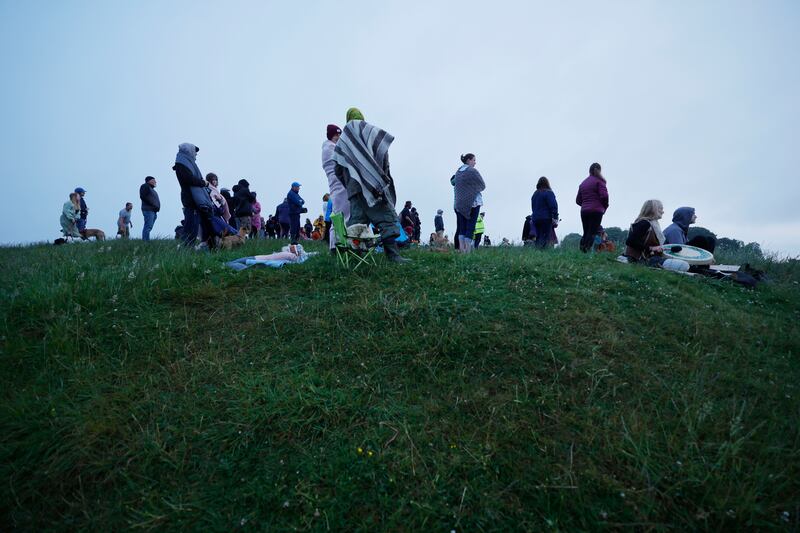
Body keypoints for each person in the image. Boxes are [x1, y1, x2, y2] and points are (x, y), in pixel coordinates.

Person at [332, 107, 408, 263]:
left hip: (355, 192)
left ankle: (353, 258)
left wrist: (350, 185)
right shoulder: (370, 133)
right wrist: (381, 177)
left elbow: (337, 169)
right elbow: (383, 154)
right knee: (386, 220)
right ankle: (393, 255)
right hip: (374, 188)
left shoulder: (343, 141)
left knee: (356, 226)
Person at [173, 142, 210, 245]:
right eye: (194, 151)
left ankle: (188, 247)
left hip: (192, 198)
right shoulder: (182, 164)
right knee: (191, 226)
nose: (196, 154)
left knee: (193, 225)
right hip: (191, 198)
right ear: (188, 151)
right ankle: (187, 248)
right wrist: (203, 183)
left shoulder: (185, 163)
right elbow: (188, 179)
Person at [452, 153, 485, 253]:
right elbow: (482, 185)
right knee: (470, 227)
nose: (475, 162)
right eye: (474, 160)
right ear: (469, 160)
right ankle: (468, 251)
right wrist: (474, 189)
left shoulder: (458, 172)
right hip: (473, 202)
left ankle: (462, 250)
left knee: (462, 227)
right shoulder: (472, 171)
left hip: (459, 203)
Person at [321, 124, 346, 250]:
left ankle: (337, 244)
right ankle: (336, 245)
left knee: (340, 213)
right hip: (337, 182)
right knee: (339, 213)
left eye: (339, 135)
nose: (338, 137)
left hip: (340, 182)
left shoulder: (333, 146)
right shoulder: (329, 147)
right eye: (336, 135)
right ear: (331, 135)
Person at [576, 162, 609, 252]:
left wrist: (585, 205)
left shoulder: (583, 183)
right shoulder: (600, 181)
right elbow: (604, 196)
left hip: (584, 211)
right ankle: (586, 252)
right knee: (592, 233)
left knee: (586, 232)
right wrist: (604, 206)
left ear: (589, 171)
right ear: (599, 170)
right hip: (596, 211)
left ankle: (582, 251)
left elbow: (578, 200)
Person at [531, 177, 559, 249]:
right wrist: (555, 217)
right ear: (547, 183)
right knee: (545, 237)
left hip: (536, 218)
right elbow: (553, 206)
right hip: (546, 218)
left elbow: (533, 207)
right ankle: (543, 252)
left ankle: (537, 253)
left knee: (538, 237)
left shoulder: (534, 194)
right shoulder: (549, 193)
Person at [139, 176, 160, 241]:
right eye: (154, 180)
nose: (155, 182)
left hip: (153, 210)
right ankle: (145, 241)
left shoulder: (151, 189)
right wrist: (153, 204)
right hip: (148, 210)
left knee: (149, 226)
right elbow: (143, 196)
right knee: (148, 226)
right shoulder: (145, 186)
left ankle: (146, 240)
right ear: (149, 181)